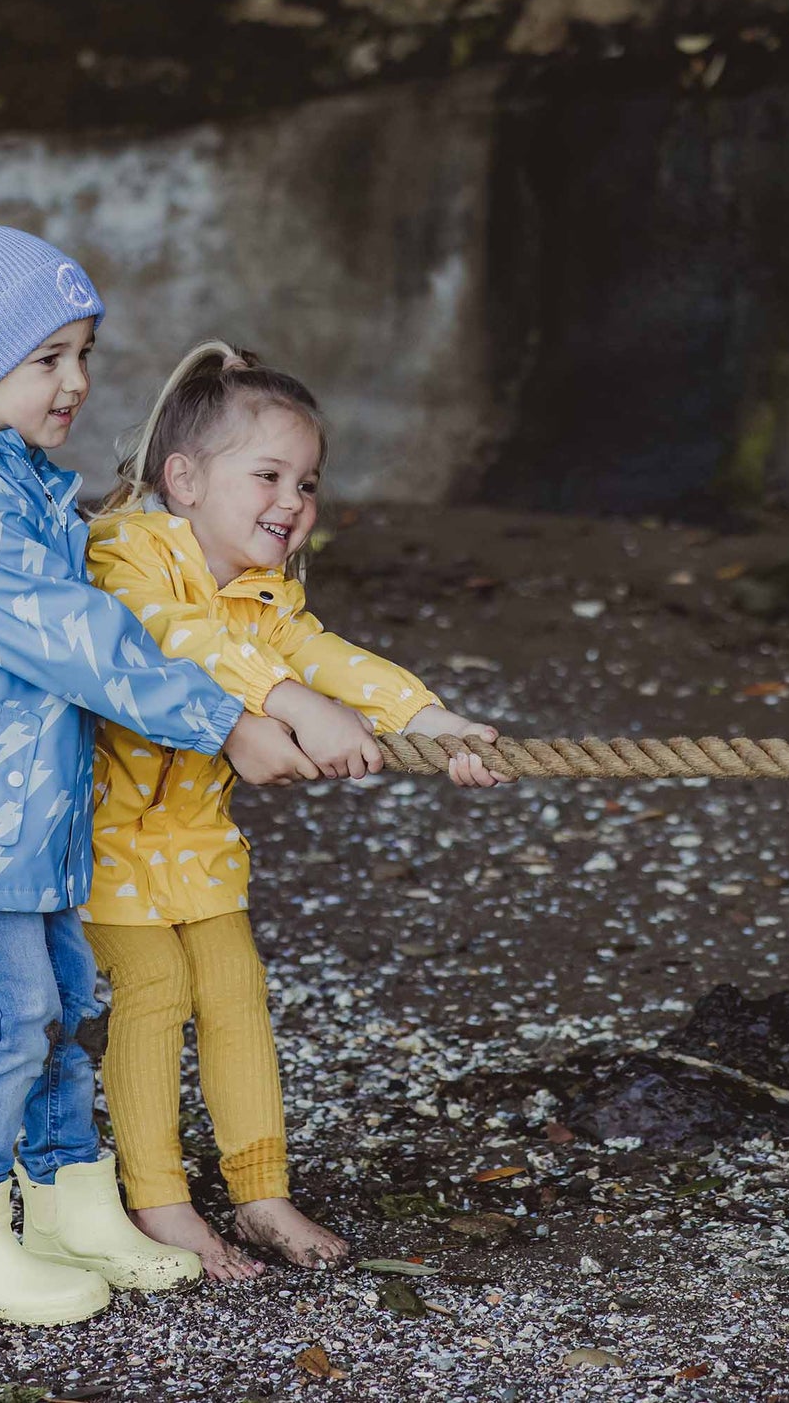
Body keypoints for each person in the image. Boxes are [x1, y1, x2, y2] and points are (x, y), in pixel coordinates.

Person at [0, 228, 277, 1325]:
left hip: (22, 815)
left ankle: (69, 1198)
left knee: (67, 1001)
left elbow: (112, 598)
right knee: (10, 1013)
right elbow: (80, 637)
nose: (75, 380)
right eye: (46, 359)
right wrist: (222, 716)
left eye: (81, 352)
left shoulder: (18, 487)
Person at [82, 340, 512, 1280]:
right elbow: (177, 637)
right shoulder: (125, 555)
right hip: (99, 840)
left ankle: (260, 1191)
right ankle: (159, 1203)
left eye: (308, 482)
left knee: (236, 999)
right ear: (184, 478)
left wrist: (432, 721)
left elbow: (328, 657)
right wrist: (288, 702)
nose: (294, 501)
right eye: (269, 474)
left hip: (197, 842)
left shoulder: (263, 596)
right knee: (152, 996)